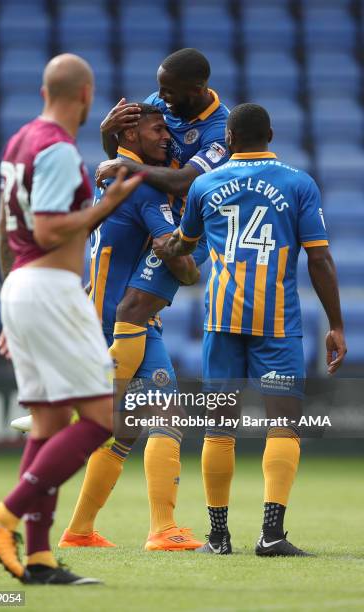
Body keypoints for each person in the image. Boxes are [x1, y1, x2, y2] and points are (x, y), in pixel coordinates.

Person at [0, 53, 143, 585]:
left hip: (23, 286)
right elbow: (49, 230)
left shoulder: (19, 141)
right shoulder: (57, 151)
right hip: (52, 288)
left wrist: (11, 300)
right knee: (98, 421)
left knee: (47, 425)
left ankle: (41, 558)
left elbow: (7, 229)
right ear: (86, 95)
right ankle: (3, 515)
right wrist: (107, 204)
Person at [155, 103, 347, 556]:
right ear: (272, 135)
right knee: (284, 427)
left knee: (219, 429)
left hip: (221, 321)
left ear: (232, 141)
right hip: (277, 323)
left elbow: (185, 240)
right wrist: (336, 323)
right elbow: (318, 257)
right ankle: (271, 535)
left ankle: (218, 538)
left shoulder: (205, 183)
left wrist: (167, 244)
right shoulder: (299, 184)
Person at [58, 48, 230, 551]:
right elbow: (174, 254)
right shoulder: (142, 189)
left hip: (109, 306)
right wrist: (190, 264)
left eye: (168, 98)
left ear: (194, 89)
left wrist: (116, 153)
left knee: (130, 428)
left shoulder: (121, 174)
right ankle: (162, 529)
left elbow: (177, 176)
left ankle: (80, 530)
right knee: (168, 415)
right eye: (155, 130)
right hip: (122, 317)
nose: (163, 124)